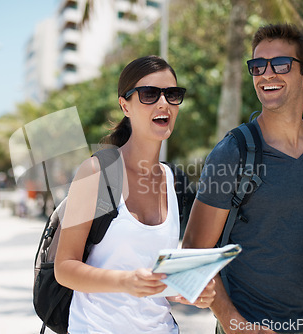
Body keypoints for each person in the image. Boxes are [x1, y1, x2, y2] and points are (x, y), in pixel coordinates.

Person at [182, 24, 303, 334]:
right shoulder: (232, 152)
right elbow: (195, 251)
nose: (266, 74)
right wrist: (233, 324)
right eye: (258, 66)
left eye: (281, 64)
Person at [55, 55, 216, 333]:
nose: (163, 103)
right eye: (150, 94)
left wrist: (190, 290)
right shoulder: (96, 172)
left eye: (172, 94)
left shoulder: (173, 179)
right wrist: (125, 281)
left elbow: (159, 281)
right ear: (124, 105)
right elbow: (64, 268)